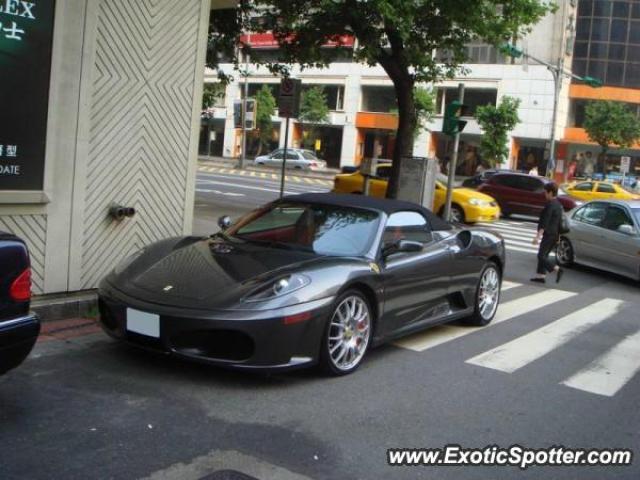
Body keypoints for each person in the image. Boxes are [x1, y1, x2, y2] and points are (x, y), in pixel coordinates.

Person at [531, 182, 564, 284]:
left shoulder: (550, 205)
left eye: (545, 192)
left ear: (550, 193)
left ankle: (557, 269)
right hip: (554, 234)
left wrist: (537, 237)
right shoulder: (558, 204)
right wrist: (558, 237)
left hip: (549, 234)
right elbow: (559, 222)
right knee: (544, 255)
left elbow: (545, 222)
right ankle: (541, 276)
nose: (544, 194)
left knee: (541, 256)